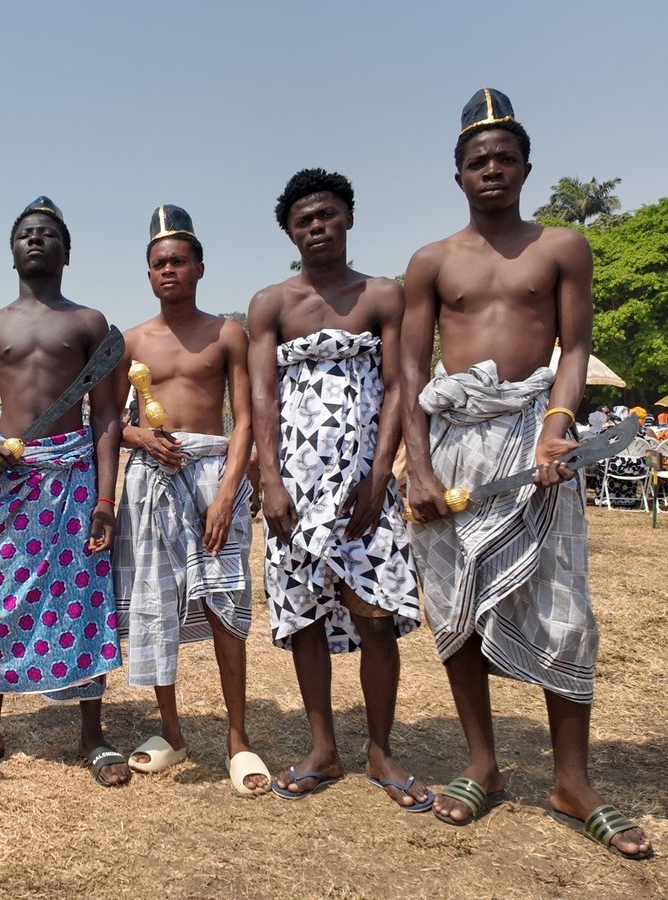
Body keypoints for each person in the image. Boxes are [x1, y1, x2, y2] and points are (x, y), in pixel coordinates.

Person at [400, 90, 652, 859]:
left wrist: (556, 428)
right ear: (457, 174)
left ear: (526, 167)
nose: (492, 169)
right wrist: (416, 468)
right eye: (478, 160)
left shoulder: (563, 247)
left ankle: (573, 781)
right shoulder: (431, 262)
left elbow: (573, 349)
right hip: (453, 448)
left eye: (505, 158)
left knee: (566, 614)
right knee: (456, 610)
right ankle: (483, 764)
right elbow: (408, 369)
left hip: (536, 448)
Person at [248, 169, 428, 808]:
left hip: (364, 487)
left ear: (348, 217)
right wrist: (269, 482)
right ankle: (323, 747)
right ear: (290, 233)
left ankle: (381, 750)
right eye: (303, 221)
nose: (316, 227)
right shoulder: (271, 303)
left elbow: (402, 384)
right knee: (302, 617)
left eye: (326, 215)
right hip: (293, 485)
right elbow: (261, 395)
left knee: (375, 616)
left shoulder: (382, 294)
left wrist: (382, 474)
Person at [0, 196, 129, 787]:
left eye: (48, 234)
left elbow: (105, 418)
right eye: (26, 233)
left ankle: (93, 734)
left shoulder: (88, 324)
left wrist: (106, 500)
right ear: (12, 249)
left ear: (66, 252)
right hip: (10, 479)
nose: (35, 240)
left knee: (84, 598)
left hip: (74, 477)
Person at [112, 205, 269, 795]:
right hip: (150, 482)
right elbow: (107, 421)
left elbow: (247, 419)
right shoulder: (129, 341)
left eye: (179, 260)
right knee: (155, 603)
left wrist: (230, 490)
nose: (169, 270)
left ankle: (238, 738)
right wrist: (138, 435)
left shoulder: (227, 333)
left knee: (225, 603)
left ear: (200, 267)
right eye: (158, 263)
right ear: (147, 274)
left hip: (212, 475)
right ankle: (172, 731)